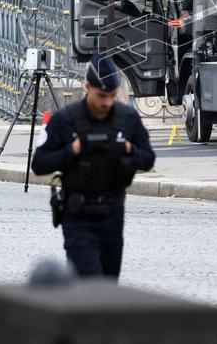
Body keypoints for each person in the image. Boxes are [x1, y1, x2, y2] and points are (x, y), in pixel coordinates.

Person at [32, 53, 155, 277]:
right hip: (78, 217)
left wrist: (127, 149)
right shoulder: (65, 119)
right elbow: (39, 164)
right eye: (101, 96)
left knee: (108, 289)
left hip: (113, 214)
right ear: (87, 86)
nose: (107, 102)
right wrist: (73, 150)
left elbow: (148, 159)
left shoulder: (127, 118)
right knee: (90, 286)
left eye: (112, 95)